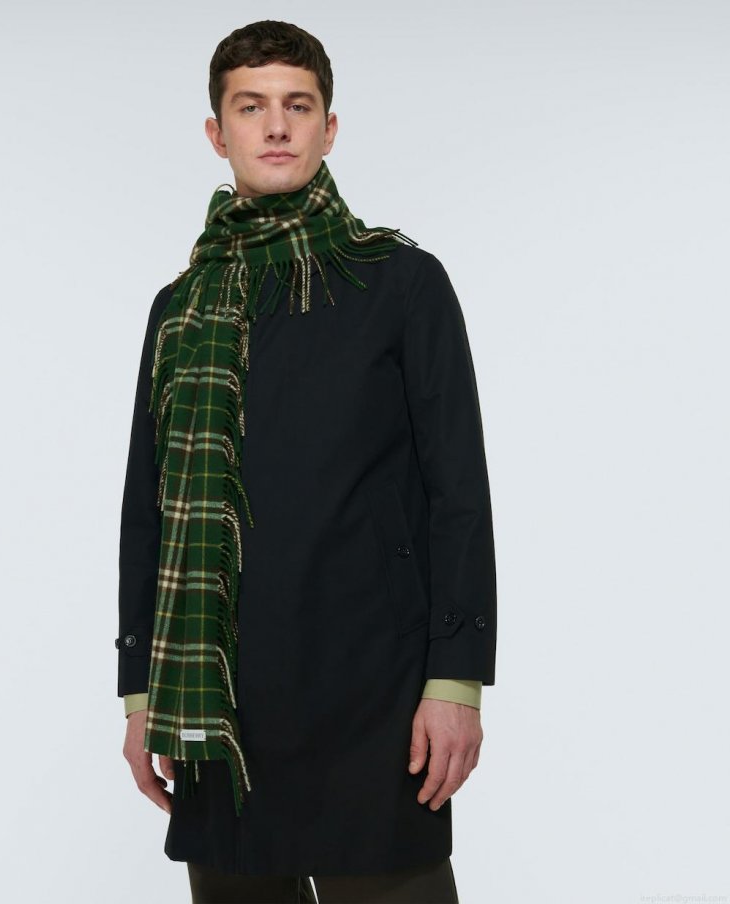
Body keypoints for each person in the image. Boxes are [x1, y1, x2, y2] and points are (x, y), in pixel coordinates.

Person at [116, 19, 497, 904]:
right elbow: (149, 506)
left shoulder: (401, 283)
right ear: (218, 133)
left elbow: (459, 492)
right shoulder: (180, 308)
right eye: (251, 107)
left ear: (330, 127)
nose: (277, 126)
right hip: (217, 697)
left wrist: (457, 681)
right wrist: (141, 693)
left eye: (298, 105)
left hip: (373, 690)